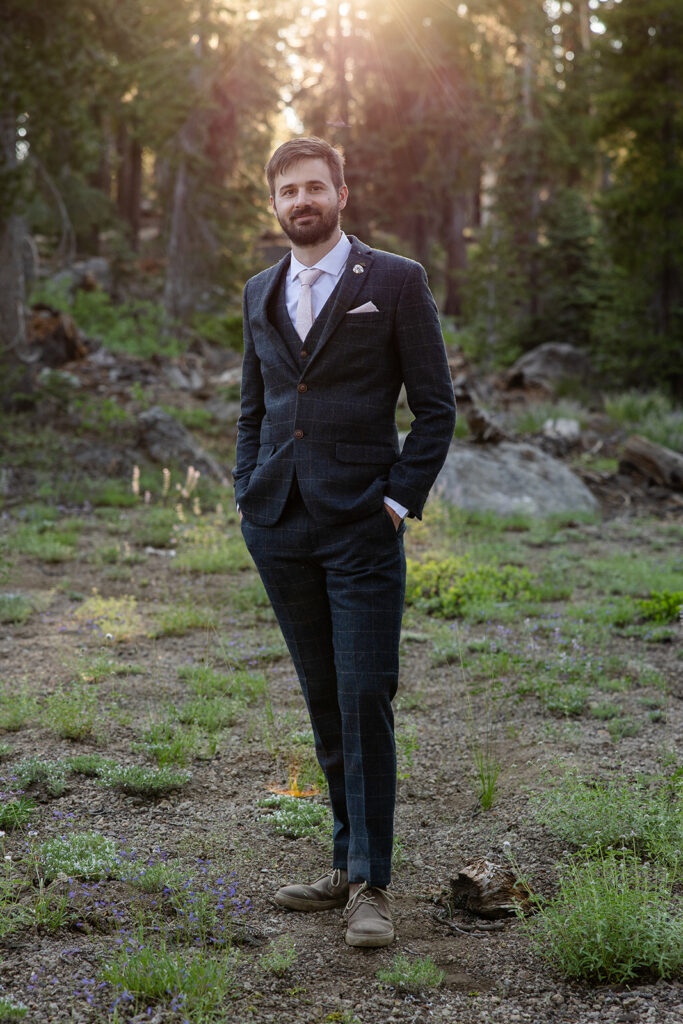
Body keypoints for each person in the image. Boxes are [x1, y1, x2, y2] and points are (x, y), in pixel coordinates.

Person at [234, 137, 456, 948]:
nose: (302, 199)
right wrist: (245, 495)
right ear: (274, 204)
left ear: (340, 193)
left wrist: (396, 502)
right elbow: (254, 407)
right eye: (287, 189)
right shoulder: (260, 289)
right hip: (279, 525)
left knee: (366, 695)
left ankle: (371, 885)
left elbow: (435, 408)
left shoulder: (393, 282)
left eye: (314, 187)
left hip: (363, 524)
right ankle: (342, 861)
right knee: (324, 697)